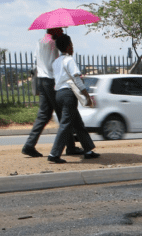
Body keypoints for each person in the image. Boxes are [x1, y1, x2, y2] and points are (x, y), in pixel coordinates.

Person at [21, 28, 79, 158]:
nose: (62, 30)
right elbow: (58, 62)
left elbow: (35, 59)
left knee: (44, 114)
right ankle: (70, 147)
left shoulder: (40, 41)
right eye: (60, 29)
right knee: (64, 114)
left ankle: (29, 145)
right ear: (54, 30)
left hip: (41, 79)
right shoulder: (53, 43)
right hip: (51, 80)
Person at [48, 35, 98, 163]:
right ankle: (54, 154)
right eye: (72, 44)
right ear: (69, 46)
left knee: (78, 123)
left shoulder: (56, 61)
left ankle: (88, 150)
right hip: (68, 95)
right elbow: (76, 79)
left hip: (58, 94)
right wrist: (86, 95)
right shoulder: (69, 60)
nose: (73, 47)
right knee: (65, 125)